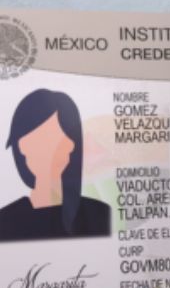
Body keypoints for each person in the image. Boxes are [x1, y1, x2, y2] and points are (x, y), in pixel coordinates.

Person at [0, 88, 110, 241]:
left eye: (68, 137)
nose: (67, 145)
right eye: (48, 138)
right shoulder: (6, 221)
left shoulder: (100, 214)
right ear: (21, 146)